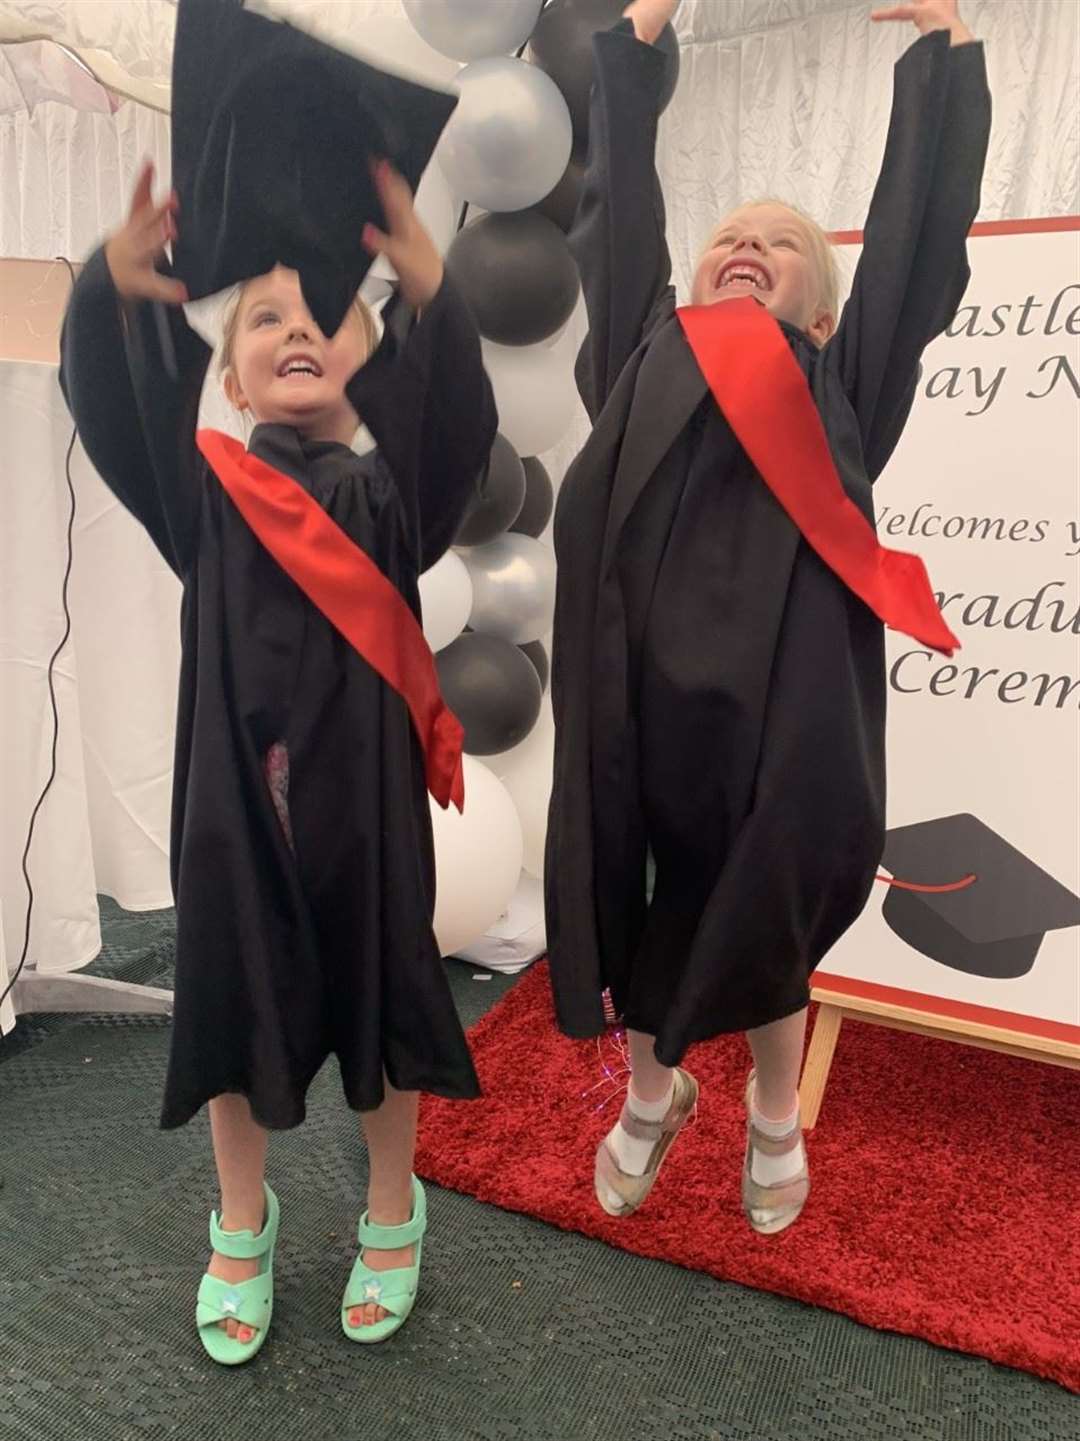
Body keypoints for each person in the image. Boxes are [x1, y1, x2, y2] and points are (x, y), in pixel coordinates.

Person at [545, 0, 990, 1233]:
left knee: (771, 911)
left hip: (785, 720)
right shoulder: (641, 358)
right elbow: (615, 219)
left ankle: (775, 1113)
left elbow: (914, 245)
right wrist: (629, 59)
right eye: (729, 235)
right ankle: (652, 1096)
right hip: (637, 703)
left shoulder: (842, 384)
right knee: (632, 907)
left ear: (825, 313)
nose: (745, 244)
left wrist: (941, 63)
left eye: (779, 244)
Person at [59, 155, 497, 1362]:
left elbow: (456, 413)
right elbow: (109, 401)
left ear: (365, 352)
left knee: (383, 1005)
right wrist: (113, 286)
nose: (293, 328)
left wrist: (426, 281)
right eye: (262, 318)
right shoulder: (207, 497)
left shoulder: (395, 491)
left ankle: (393, 1210)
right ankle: (239, 1226)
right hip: (234, 816)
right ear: (228, 365)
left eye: (319, 317)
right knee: (231, 1005)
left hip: (364, 814)